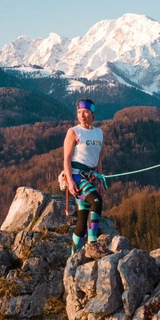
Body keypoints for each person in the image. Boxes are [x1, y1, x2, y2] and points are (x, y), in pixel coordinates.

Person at [63, 98, 104, 254]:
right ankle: (92, 242)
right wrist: (70, 182)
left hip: (92, 176)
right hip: (77, 176)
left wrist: (100, 180)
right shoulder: (73, 132)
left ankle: (73, 256)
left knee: (82, 218)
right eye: (79, 112)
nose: (82, 115)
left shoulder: (99, 133)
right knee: (96, 201)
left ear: (92, 114)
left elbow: (98, 158)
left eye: (86, 112)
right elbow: (66, 158)